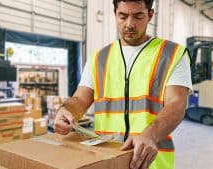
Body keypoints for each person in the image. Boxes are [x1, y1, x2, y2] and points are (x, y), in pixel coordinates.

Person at [54, 0, 192, 169]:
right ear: (115, 14)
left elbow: (176, 103)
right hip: (107, 159)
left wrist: (151, 135)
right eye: (123, 16)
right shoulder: (99, 58)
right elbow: (80, 99)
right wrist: (66, 111)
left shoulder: (172, 54)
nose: (129, 24)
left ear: (150, 15)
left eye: (138, 16)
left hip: (151, 162)